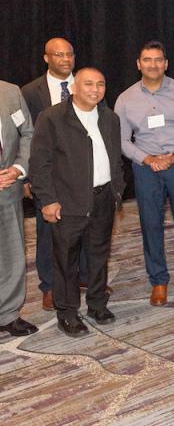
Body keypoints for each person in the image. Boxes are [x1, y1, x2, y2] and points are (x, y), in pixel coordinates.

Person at [114, 41, 174, 306]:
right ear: (138, 64)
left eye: (158, 60)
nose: (153, 65)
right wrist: (147, 158)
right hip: (146, 169)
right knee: (151, 225)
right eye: (147, 60)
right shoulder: (125, 98)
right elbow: (121, 140)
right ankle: (158, 280)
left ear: (166, 64)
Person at [29, 68, 124, 336]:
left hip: (103, 199)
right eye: (88, 84)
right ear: (73, 88)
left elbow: (115, 157)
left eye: (101, 84)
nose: (95, 89)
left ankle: (96, 304)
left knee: (98, 256)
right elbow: (40, 163)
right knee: (66, 261)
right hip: (68, 202)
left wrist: (118, 189)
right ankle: (67, 313)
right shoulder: (52, 118)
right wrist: (47, 200)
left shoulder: (110, 118)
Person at [21, 37, 88, 311]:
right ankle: (50, 285)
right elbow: (24, 135)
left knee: (86, 226)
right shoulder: (28, 92)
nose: (65, 59)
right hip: (47, 174)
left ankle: (83, 276)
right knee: (47, 230)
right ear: (46, 58)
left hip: (82, 172)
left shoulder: (87, 85)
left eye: (69, 54)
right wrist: (28, 177)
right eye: (58, 55)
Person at [0, 80, 37, 337]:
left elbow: (28, 133)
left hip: (9, 184)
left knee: (12, 252)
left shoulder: (11, 91)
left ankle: (8, 313)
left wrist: (18, 169)